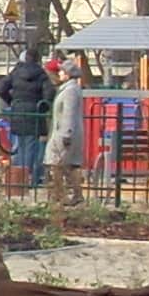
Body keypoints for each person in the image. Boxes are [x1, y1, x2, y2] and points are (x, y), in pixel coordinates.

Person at [0, 49, 52, 191]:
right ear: (38, 59)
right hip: (33, 113)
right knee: (31, 147)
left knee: (18, 147)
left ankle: (17, 179)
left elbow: (1, 88)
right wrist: (41, 109)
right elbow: (49, 94)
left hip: (18, 112)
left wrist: (12, 101)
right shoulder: (41, 74)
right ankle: (28, 180)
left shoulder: (16, 72)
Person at [46, 55, 90, 206]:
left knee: (58, 164)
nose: (59, 73)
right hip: (63, 132)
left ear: (68, 74)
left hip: (64, 133)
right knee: (67, 165)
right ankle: (71, 195)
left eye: (62, 71)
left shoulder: (70, 91)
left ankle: (61, 195)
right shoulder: (68, 89)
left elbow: (68, 113)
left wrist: (66, 134)